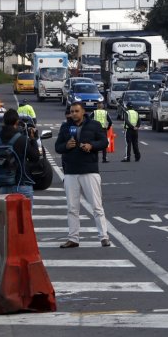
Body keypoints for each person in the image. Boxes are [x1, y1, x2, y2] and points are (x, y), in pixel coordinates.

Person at [55, 102, 111, 248]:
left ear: (83, 112)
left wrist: (91, 146)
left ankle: (104, 237)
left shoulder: (94, 125)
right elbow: (58, 147)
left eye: (76, 111)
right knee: (72, 208)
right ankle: (73, 238)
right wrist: (66, 146)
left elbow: (104, 142)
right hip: (71, 172)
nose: (73, 114)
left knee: (97, 206)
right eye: (72, 111)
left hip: (89, 170)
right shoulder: (65, 127)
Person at [0, 109, 41, 202]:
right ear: (17, 122)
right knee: (25, 212)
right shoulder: (22, 139)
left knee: (7, 212)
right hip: (22, 184)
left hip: (4, 185)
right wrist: (33, 139)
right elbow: (35, 157)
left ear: (4, 121)